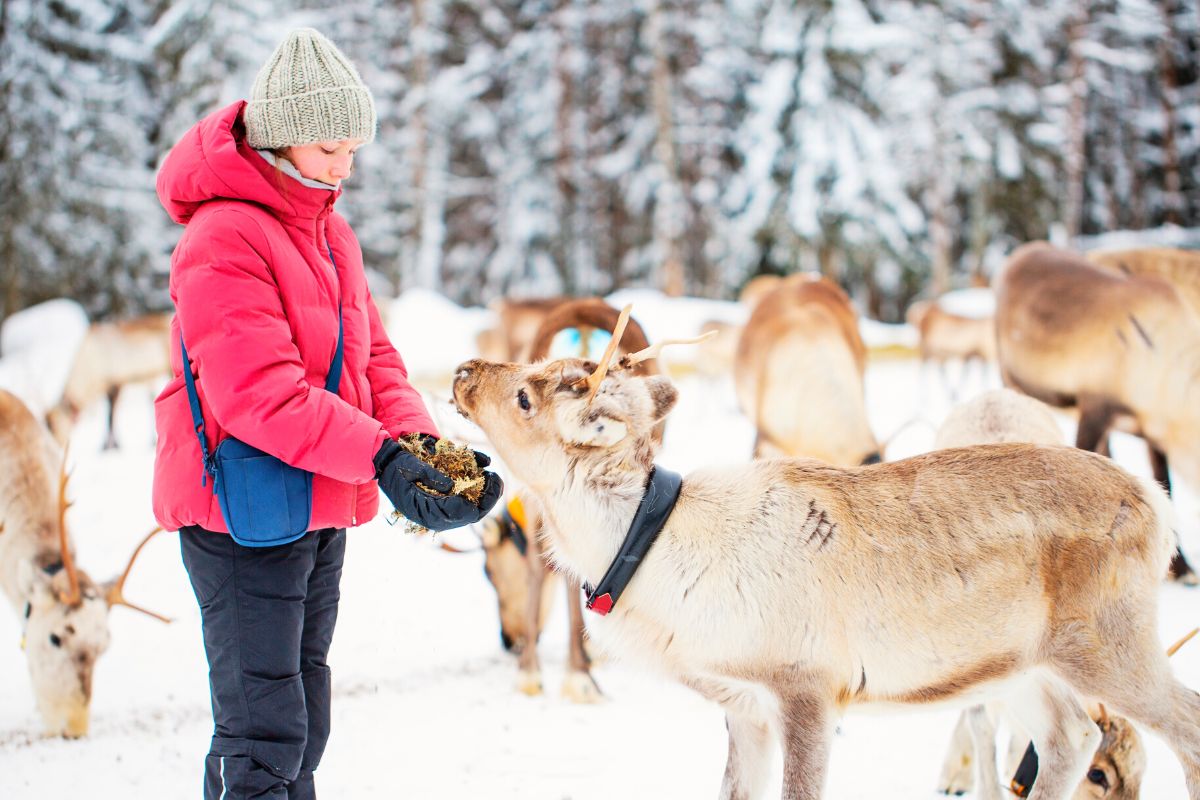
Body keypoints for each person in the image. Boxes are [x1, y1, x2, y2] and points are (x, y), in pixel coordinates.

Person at [151, 28, 502, 799]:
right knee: (261, 733)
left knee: (303, 720)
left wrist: (422, 449)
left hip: (311, 499)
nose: (345, 168)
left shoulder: (329, 232)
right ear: (279, 140)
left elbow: (374, 357)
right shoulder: (222, 236)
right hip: (239, 511)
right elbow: (259, 396)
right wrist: (381, 458)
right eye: (328, 149)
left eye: (353, 149)